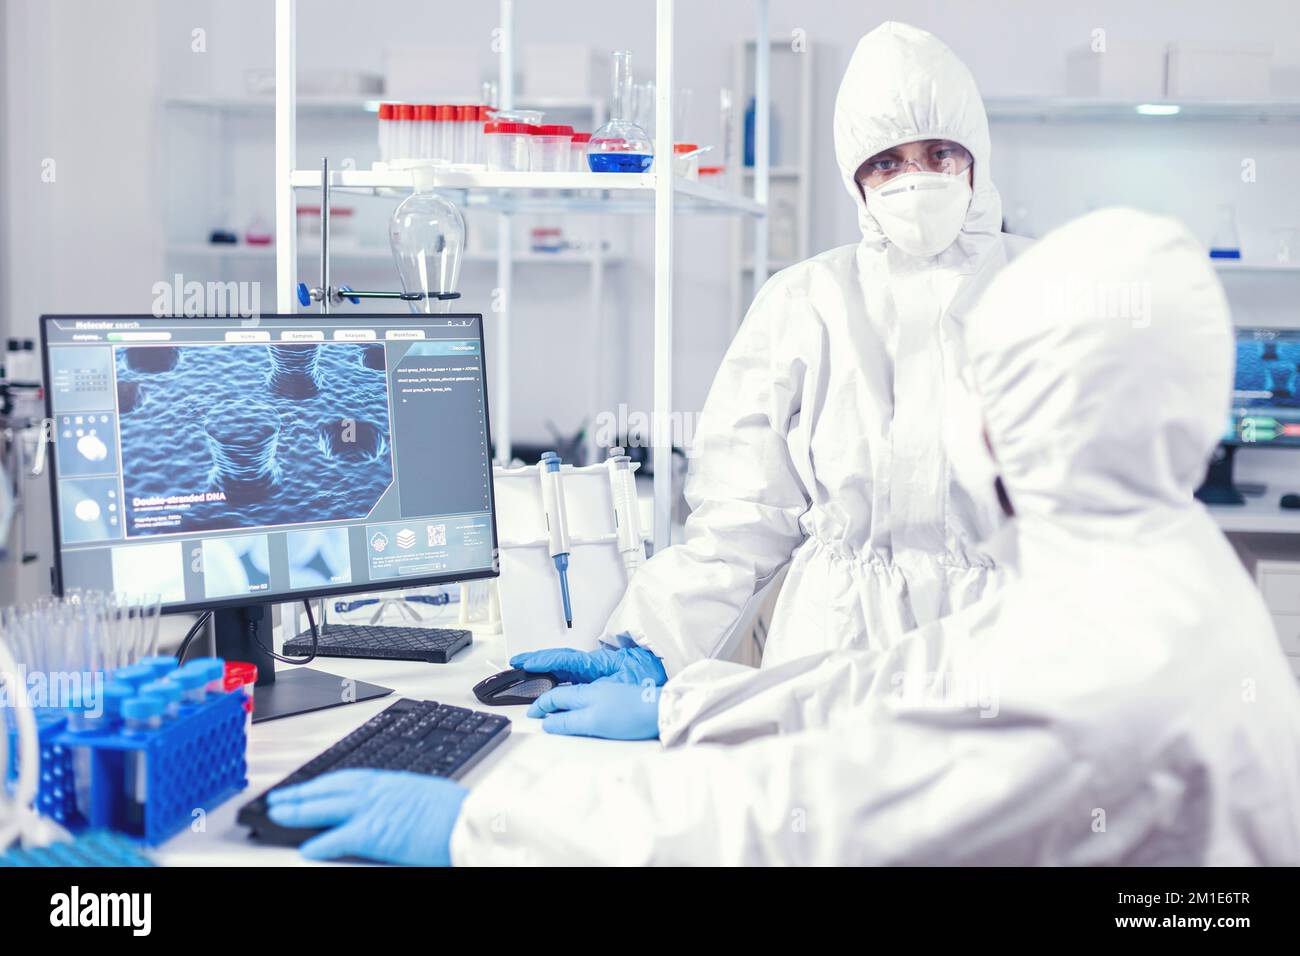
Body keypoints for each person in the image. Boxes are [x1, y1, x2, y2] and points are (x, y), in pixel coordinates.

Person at [268, 208, 1300, 865]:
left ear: (1034, 413)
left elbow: (797, 822)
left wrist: (485, 825)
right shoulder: (1149, 564)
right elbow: (907, 678)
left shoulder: (1097, 659)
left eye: (984, 382)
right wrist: (684, 700)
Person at [507, 21, 1033, 711]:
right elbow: (738, 522)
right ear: (857, 177)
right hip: (829, 657)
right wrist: (643, 650)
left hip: (1002, 648)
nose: (914, 179)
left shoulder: (1039, 289)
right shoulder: (806, 300)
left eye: (938, 153)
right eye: (887, 162)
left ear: (976, 157)